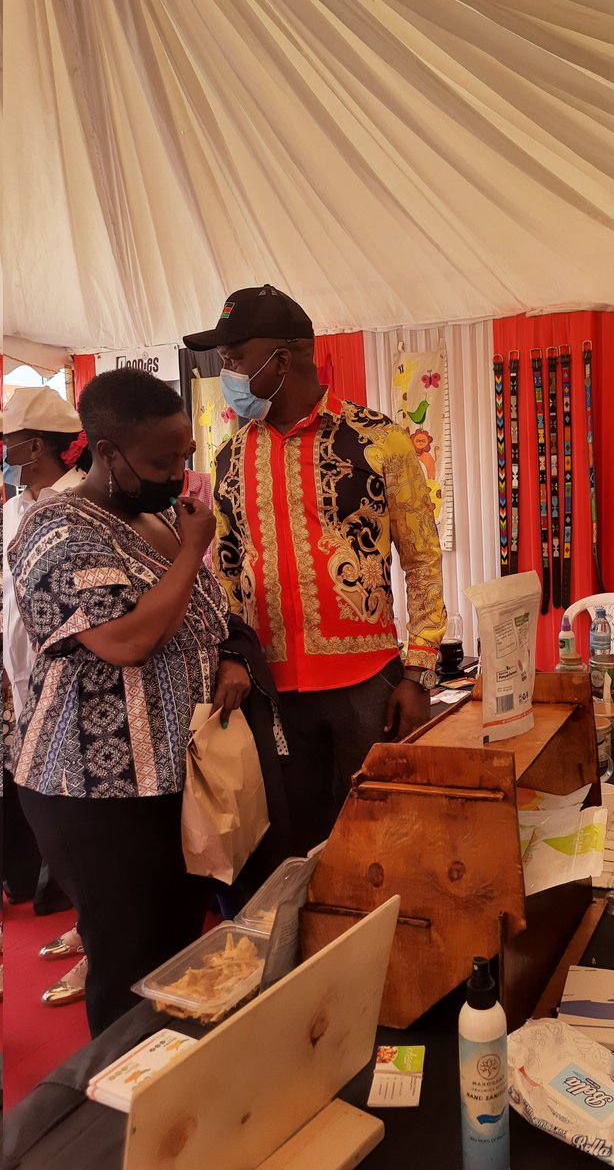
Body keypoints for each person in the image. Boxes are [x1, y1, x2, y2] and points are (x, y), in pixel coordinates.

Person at [8, 368, 250, 1036]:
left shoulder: (151, 518)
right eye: (159, 460)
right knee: (128, 968)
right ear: (106, 451)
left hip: (169, 782)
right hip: (95, 789)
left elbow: (205, 616)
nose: (176, 473)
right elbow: (126, 639)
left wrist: (230, 653)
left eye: (183, 458)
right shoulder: (56, 529)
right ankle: (120, 1112)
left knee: (177, 953)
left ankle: (174, 1095)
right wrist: (192, 550)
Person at [183, 285, 447, 854]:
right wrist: (231, 653)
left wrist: (418, 671)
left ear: (283, 358)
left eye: (235, 359)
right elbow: (223, 570)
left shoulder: (380, 442)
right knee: (294, 840)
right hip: (271, 691)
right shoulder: (229, 456)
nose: (225, 371)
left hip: (367, 684)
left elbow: (423, 558)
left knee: (379, 832)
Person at [2, 388, 93, 1004]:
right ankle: (87, 925)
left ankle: (97, 937)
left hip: (74, 690)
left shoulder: (80, 504)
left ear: (35, 445)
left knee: (80, 825)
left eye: (8, 440)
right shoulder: (14, 508)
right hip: (22, 691)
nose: (4, 451)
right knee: (47, 816)